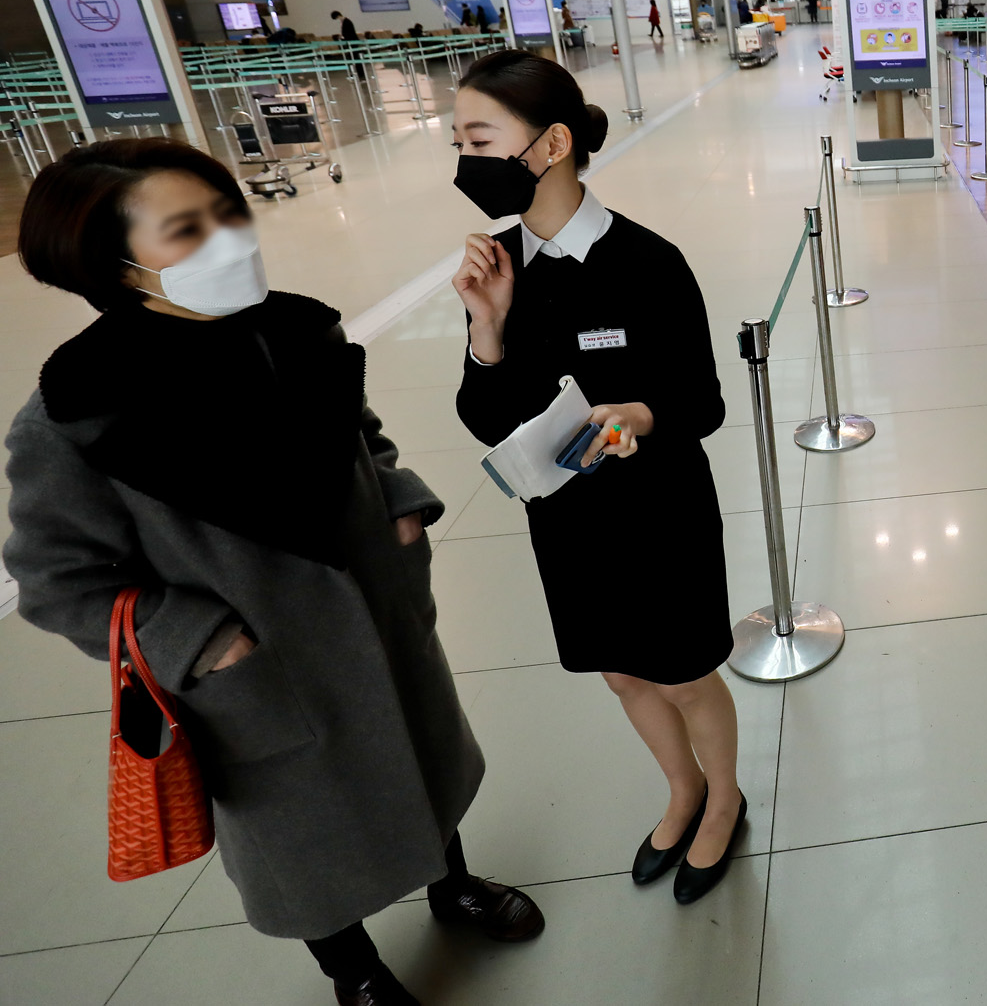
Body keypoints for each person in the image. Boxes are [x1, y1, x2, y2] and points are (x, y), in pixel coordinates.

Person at [3, 139, 542, 1006]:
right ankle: (353, 969)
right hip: (257, 671)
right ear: (115, 264)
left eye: (228, 212)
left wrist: (399, 507)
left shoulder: (295, 329)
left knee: (420, 756)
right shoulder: (77, 415)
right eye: (186, 229)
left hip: (375, 614)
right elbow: (57, 579)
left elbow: (362, 434)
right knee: (302, 835)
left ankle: (453, 883)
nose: (227, 239)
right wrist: (200, 640)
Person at [446, 52, 746, 906]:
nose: (466, 160)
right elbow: (485, 417)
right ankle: (682, 788)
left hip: (659, 513)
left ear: (553, 144)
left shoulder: (648, 262)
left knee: (683, 673)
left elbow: (703, 402)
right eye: (458, 141)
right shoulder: (499, 264)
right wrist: (486, 329)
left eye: (481, 139)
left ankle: (724, 798)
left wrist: (634, 418)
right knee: (622, 672)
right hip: (569, 519)